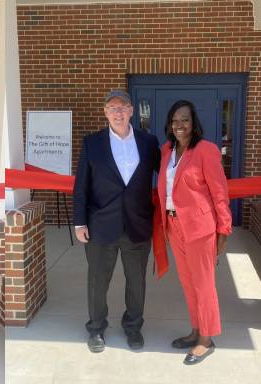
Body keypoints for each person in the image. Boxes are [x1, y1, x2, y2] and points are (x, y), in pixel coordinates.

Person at [73, 89, 160, 353]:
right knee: (98, 281)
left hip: (137, 225)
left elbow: (168, 174)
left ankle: (133, 327)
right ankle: (96, 328)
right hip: (100, 226)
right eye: (112, 108)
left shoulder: (148, 142)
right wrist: (79, 223)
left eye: (122, 107)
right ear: (105, 113)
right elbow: (81, 187)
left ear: (132, 110)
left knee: (137, 282)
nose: (118, 112)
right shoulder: (92, 143)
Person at [157, 100, 231, 365]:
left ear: (194, 122)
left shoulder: (206, 150)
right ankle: (196, 330)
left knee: (204, 285)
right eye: (175, 120)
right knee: (189, 284)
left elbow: (220, 193)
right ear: (169, 124)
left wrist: (223, 229)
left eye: (185, 119)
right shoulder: (167, 151)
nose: (180, 125)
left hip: (200, 229)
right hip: (174, 226)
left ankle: (207, 340)